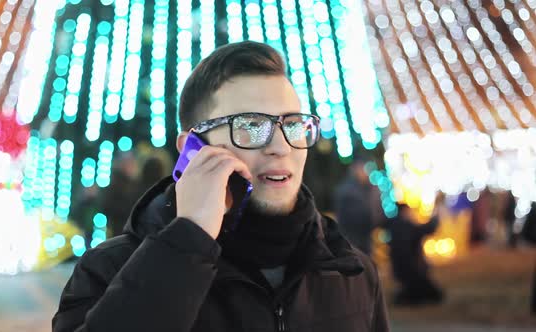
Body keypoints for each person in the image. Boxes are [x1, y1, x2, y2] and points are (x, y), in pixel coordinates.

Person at [53, 41, 389, 331]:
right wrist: (189, 238)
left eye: (292, 123)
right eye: (252, 125)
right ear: (192, 149)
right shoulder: (107, 270)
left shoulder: (351, 270)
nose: (281, 146)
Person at [383, 203, 444, 306]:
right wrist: (436, 217)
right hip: (412, 270)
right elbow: (425, 229)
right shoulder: (405, 226)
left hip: (401, 270)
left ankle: (407, 296)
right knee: (433, 294)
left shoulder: (393, 226)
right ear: (404, 211)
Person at [332, 156, 384, 255]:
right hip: (353, 241)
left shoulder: (369, 189)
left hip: (365, 240)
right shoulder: (348, 192)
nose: (366, 173)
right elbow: (352, 218)